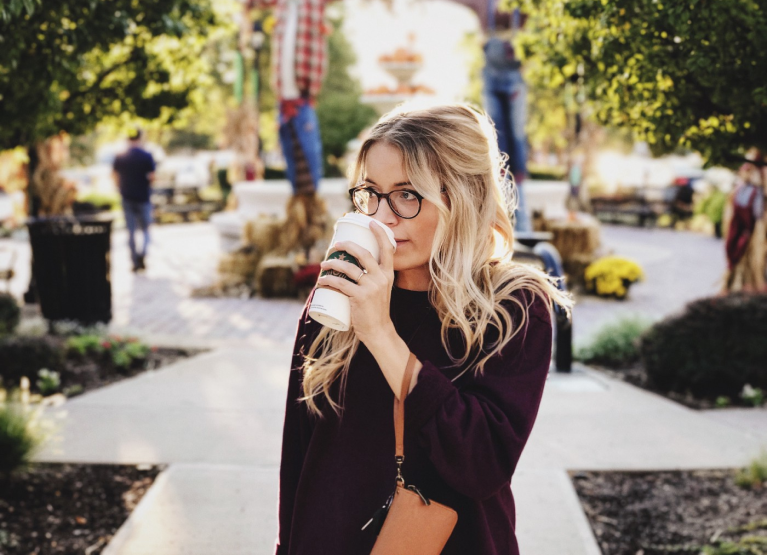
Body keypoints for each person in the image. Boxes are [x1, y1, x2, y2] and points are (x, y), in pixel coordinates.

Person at [276, 104, 571, 555]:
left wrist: (380, 334)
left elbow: (482, 464)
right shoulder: (340, 294)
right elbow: (298, 458)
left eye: (407, 195)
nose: (383, 217)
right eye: (371, 192)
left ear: (463, 197)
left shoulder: (512, 306)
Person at [113, 129, 155, 272]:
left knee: (130, 231)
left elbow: (114, 176)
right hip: (143, 197)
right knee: (146, 230)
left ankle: (134, 261)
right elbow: (152, 177)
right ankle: (142, 253)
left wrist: (120, 188)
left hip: (127, 197)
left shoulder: (120, 157)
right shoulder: (146, 156)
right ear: (140, 138)